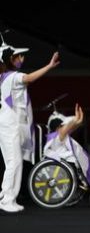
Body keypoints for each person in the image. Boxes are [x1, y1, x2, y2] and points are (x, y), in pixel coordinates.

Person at [0, 45, 60, 213]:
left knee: (12, 162)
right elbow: (29, 78)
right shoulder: (12, 77)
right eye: (18, 56)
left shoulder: (4, 77)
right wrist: (49, 66)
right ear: (10, 59)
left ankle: (5, 196)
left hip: (8, 122)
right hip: (10, 123)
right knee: (14, 162)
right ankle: (7, 199)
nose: (22, 59)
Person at [43, 104, 90, 190]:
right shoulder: (55, 137)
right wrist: (75, 120)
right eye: (63, 125)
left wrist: (78, 121)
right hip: (65, 166)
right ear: (58, 127)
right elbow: (65, 130)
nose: (66, 127)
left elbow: (70, 128)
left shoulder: (62, 137)